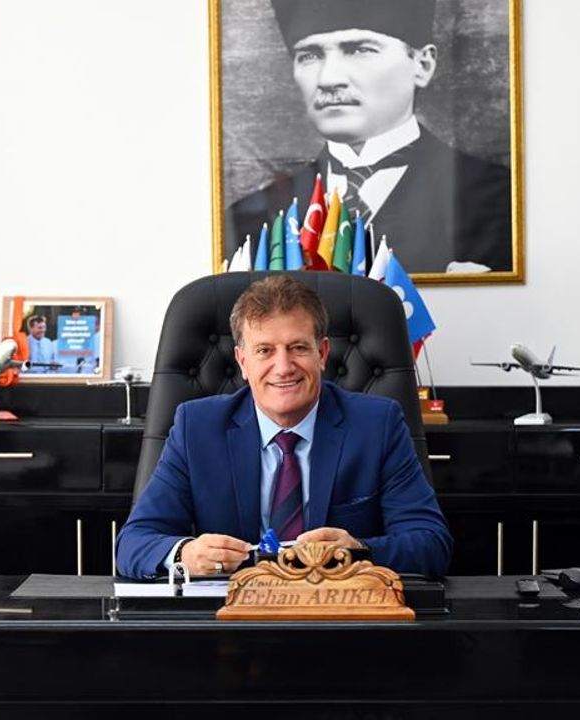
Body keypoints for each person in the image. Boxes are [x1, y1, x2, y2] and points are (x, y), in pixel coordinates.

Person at [116, 275, 453, 579]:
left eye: (298, 348)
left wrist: (359, 551)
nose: (283, 367)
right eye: (264, 351)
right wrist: (184, 555)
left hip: (340, 615)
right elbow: (134, 543)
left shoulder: (377, 425)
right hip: (230, 615)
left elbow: (431, 543)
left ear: (322, 353)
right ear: (242, 362)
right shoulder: (197, 428)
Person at [224, 0, 513, 275]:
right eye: (309, 55)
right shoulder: (253, 222)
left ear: (422, 65)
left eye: (360, 49)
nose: (328, 79)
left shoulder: (498, 198)